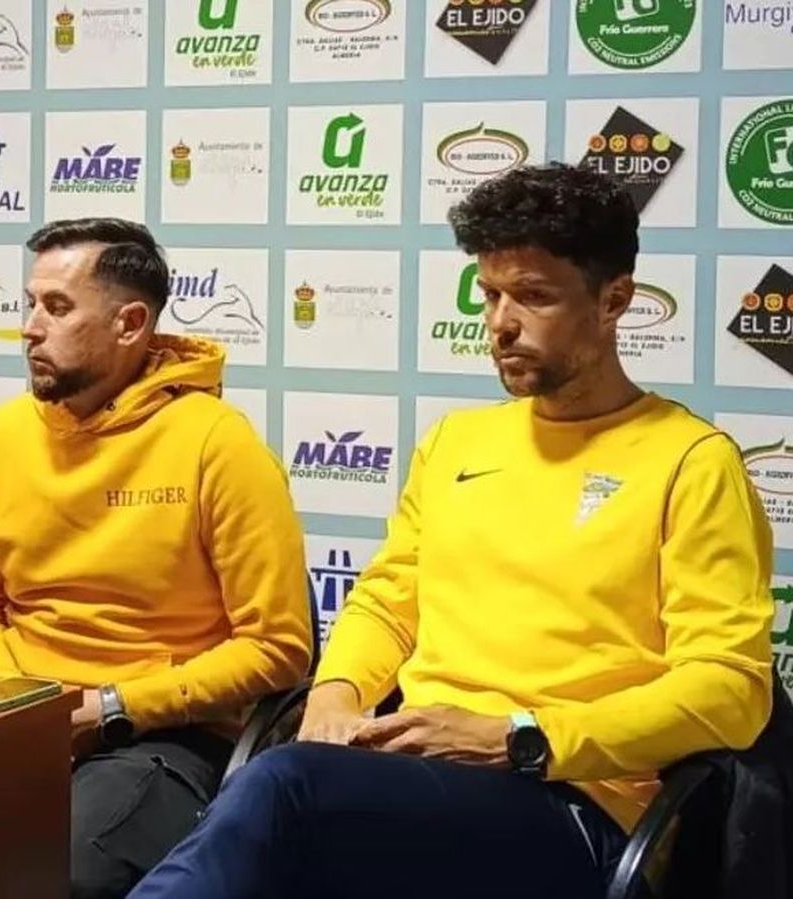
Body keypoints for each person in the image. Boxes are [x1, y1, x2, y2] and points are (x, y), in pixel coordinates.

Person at [128, 164, 777, 899]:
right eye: (492, 294)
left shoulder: (691, 461)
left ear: (613, 301)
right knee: (281, 812)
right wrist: (336, 692)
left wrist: (520, 736)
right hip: (413, 776)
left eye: (534, 296)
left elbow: (729, 689)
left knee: (282, 793)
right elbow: (385, 598)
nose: (501, 322)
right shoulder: (455, 443)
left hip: (574, 802)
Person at [0, 218, 313, 899]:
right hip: (10, 711)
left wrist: (111, 705)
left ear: (130, 323)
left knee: (53, 872)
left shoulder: (216, 444)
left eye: (57, 307)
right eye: (30, 303)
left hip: (161, 735)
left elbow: (278, 644)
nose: (29, 327)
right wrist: (24, 703)